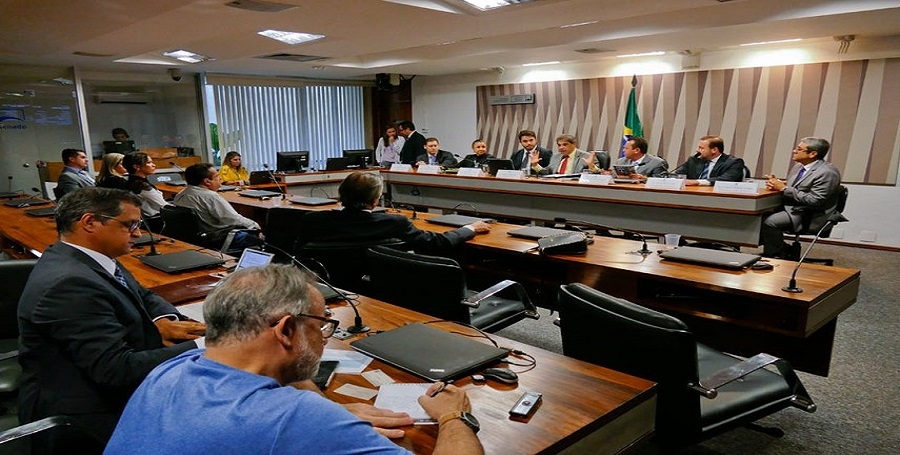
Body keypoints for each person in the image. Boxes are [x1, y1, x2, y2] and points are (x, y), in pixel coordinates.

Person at [105, 265, 483, 454]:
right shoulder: (292, 417)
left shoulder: (170, 370)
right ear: (286, 329)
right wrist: (454, 416)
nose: (324, 338)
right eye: (320, 326)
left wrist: (328, 409)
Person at [17, 187, 206, 448]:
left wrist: (164, 321)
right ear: (90, 222)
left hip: (104, 380)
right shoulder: (68, 284)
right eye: (130, 225)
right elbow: (116, 370)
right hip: (85, 415)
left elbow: (143, 294)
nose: (138, 233)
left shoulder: (86, 258)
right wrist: (204, 344)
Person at [299, 172, 490, 254]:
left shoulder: (313, 220)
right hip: (383, 287)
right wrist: (469, 228)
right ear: (375, 200)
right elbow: (437, 243)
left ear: (341, 194)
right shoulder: (394, 223)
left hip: (334, 287)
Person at [760, 137, 843, 258]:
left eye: (799, 149)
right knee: (756, 217)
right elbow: (797, 186)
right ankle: (784, 250)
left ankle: (776, 256)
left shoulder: (827, 172)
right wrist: (777, 184)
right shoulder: (799, 167)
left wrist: (784, 189)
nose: (794, 151)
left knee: (770, 222)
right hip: (793, 207)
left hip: (811, 214)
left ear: (812, 154)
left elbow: (815, 200)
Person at [173, 163, 263, 250]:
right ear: (207, 181)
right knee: (265, 240)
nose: (220, 178)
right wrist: (254, 226)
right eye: (217, 176)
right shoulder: (210, 197)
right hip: (219, 238)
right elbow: (232, 219)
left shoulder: (180, 195)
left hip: (194, 238)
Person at [672, 135, 745, 185]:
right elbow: (678, 175)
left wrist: (697, 182)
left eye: (701, 148)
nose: (697, 150)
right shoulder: (694, 160)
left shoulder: (734, 162)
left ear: (714, 150)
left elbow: (727, 179)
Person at [123, 152, 170, 217]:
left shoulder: (131, 181)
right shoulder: (141, 186)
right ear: (136, 167)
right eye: (149, 162)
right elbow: (164, 206)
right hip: (157, 218)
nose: (154, 165)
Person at [533, 134, 602, 175]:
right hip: (556, 185)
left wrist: (592, 166)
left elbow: (598, 175)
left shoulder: (587, 156)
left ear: (574, 144)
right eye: (559, 145)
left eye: (565, 144)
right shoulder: (555, 156)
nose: (561, 147)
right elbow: (548, 173)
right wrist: (535, 165)